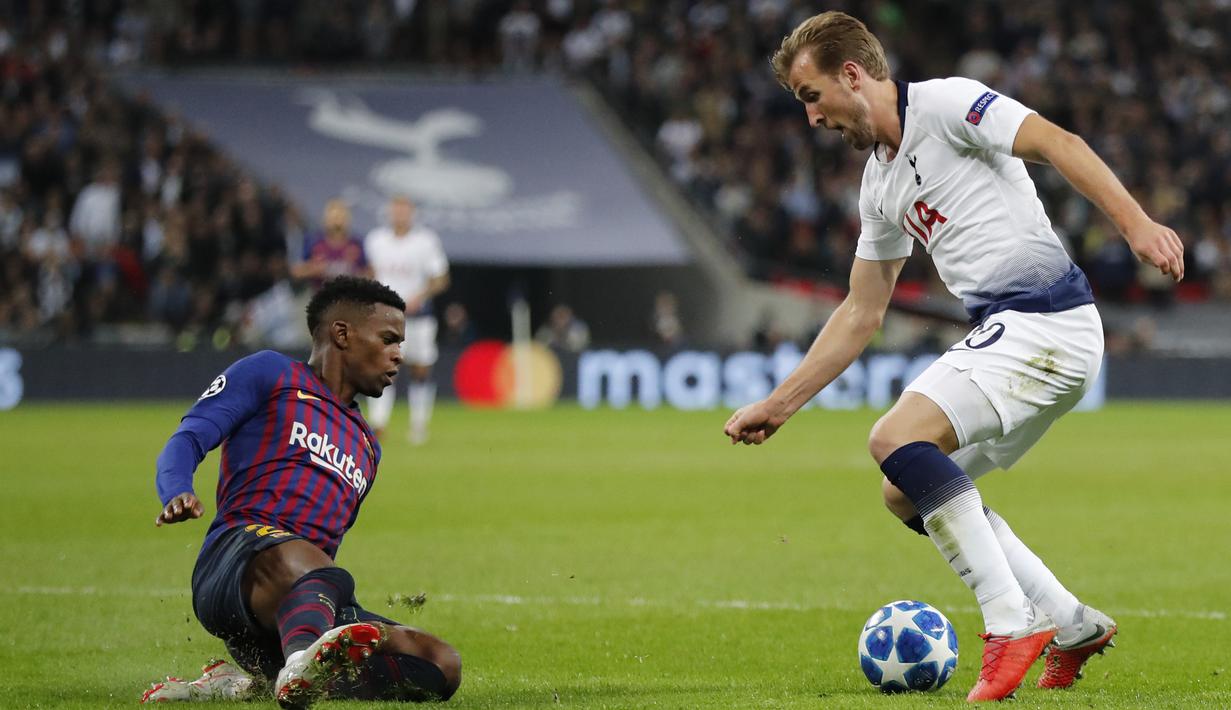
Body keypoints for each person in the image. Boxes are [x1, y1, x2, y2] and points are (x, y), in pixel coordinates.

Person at [723, 11, 1184, 703]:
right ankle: (1068, 622)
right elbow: (861, 311)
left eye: (810, 95)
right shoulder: (878, 186)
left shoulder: (943, 103)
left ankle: (1008, 625)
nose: (811, 118)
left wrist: (1136, 224)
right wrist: (779, 404)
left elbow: (1056, 141)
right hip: (1018, 335)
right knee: (903, 490)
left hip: (1046, 321)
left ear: (851, 74)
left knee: (893, 438)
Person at [145, 276, 461, 708]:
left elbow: (328, 544)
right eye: (389, 339)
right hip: (235, 561)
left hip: (300, 601)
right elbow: (189, 437)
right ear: (342, 334)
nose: (398, 356)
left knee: (439, 664)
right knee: (311, 564)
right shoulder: (271, 373)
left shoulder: (368, 447)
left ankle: (256, 677)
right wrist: (176, 489)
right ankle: (299, 667)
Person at [363, 195, 450, 444]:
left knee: (420, 369)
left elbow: (441, 278)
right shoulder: (376, 240)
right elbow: (367, 272)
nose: (400, 214)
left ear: (412, 213)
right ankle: (379, 424)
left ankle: (419, 424)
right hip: (384, 317)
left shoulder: (426, 241)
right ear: (390, 212)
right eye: (396, 209)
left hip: (418, 317)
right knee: (384, 368)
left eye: (404, 210)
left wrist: (420, 295)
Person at [291, 199, 371, 288]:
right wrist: (315, 269)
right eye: (333, 217)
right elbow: (297, 272)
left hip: (349, 297)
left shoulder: (356, 243)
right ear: (326, 219)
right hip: (319, 295)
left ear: (347, 219)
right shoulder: (314, 241)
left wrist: (353, 274)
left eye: (340, 217)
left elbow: (370, 274)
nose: (336, 222)